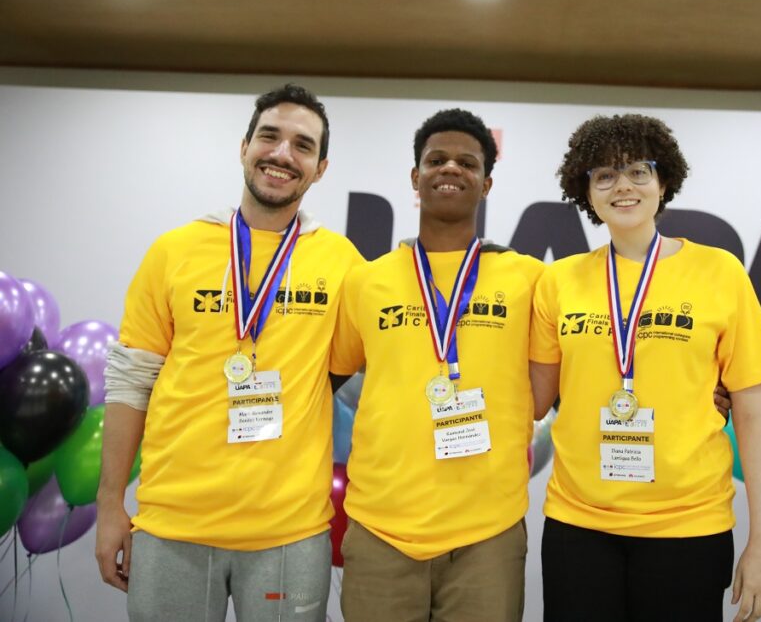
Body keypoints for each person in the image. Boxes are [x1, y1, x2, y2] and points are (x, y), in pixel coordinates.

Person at [95, 84, 364, 621]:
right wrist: (109, 508)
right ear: (244, 147)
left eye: (302, 146)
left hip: (289, 533)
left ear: (321, 168)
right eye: (270, 136)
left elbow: (357, 369)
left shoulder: (343, 263)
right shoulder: (175, 250)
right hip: (173, 523)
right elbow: (131, 383)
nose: (282, 154)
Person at [529, 114, 761, 622]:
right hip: (579, 527)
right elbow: (533, 400)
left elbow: (755, 414)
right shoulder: (558, 282)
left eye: (638, 172)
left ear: (663, 181)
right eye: (603, 175)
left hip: (689, 527)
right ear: (587, 192)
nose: (622, 186)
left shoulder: (719, 272)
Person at [333, 108, 544, 621]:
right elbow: (324, 381)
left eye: (467, 163)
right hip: (380, 530)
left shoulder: (530, 279)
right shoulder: (367, 280)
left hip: (486, 536)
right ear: (415, 177)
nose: (451, 169)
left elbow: (582, 372)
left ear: (486, 183)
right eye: (436, 160)